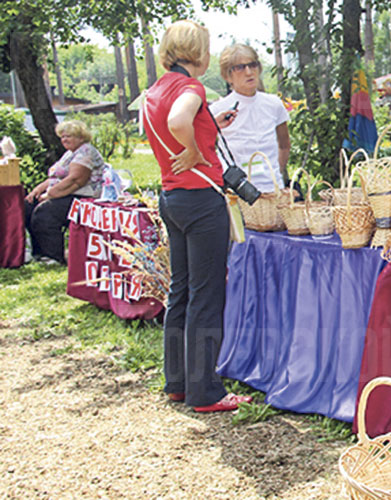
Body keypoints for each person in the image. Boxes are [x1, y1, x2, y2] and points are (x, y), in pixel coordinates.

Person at [142, 20, 252, 413]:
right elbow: (177, 122)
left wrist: (206, 129)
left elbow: (161, 126)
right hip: (201, 198)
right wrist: (191, 148)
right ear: (198, 53)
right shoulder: (190, 87)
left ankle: (177, 381)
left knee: (181, 291)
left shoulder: (154, 90)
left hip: (171, 197)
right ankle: (206, 391)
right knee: (207, 295)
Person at [209, 43, 290, 193]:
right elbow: (209, 151)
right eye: (239, 67)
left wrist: (276, 174)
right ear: (227, 76)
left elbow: (284, 145)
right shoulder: (217, 110)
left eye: (253, 65)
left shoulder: (274, 104)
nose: (249, 72)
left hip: (274, 190)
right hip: (237, 192)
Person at [24, 120, 105, 264]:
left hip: (83, 198)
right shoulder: (70, 153)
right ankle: (38, 252)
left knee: (45, 211)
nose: (64, 140)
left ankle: (53, 256)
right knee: (28, 206)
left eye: (69, 136)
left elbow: (75, 181)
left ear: (81, 138)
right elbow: (56, 177)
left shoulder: (86, 151)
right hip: (65, 193)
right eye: (62, 137)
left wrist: (50, 194)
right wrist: (37, 190)